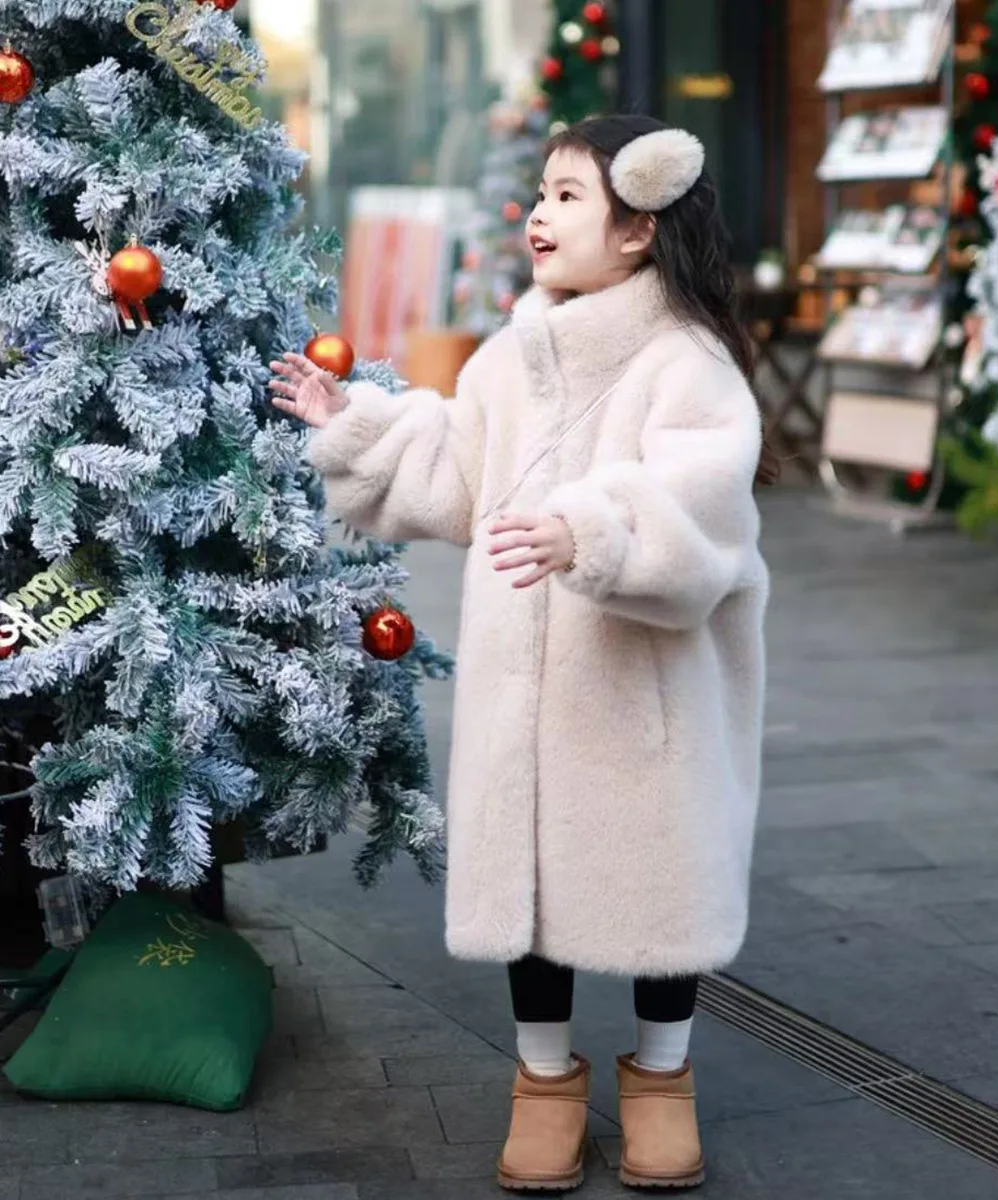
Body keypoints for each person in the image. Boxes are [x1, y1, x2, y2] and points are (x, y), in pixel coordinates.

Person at [270, 114, 770, 1193]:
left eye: (568, 197)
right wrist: (354, 420)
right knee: (531, 880)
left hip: (643, 686)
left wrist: (590, 531)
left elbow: (702, 497)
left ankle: (661, 1079)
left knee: (656, 876)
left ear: (639, 229)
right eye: (539, 194)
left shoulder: (689, 362)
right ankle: (543, 1081)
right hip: (521, 686)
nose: (539, 215)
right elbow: (457, 469)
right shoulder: (513, 355)